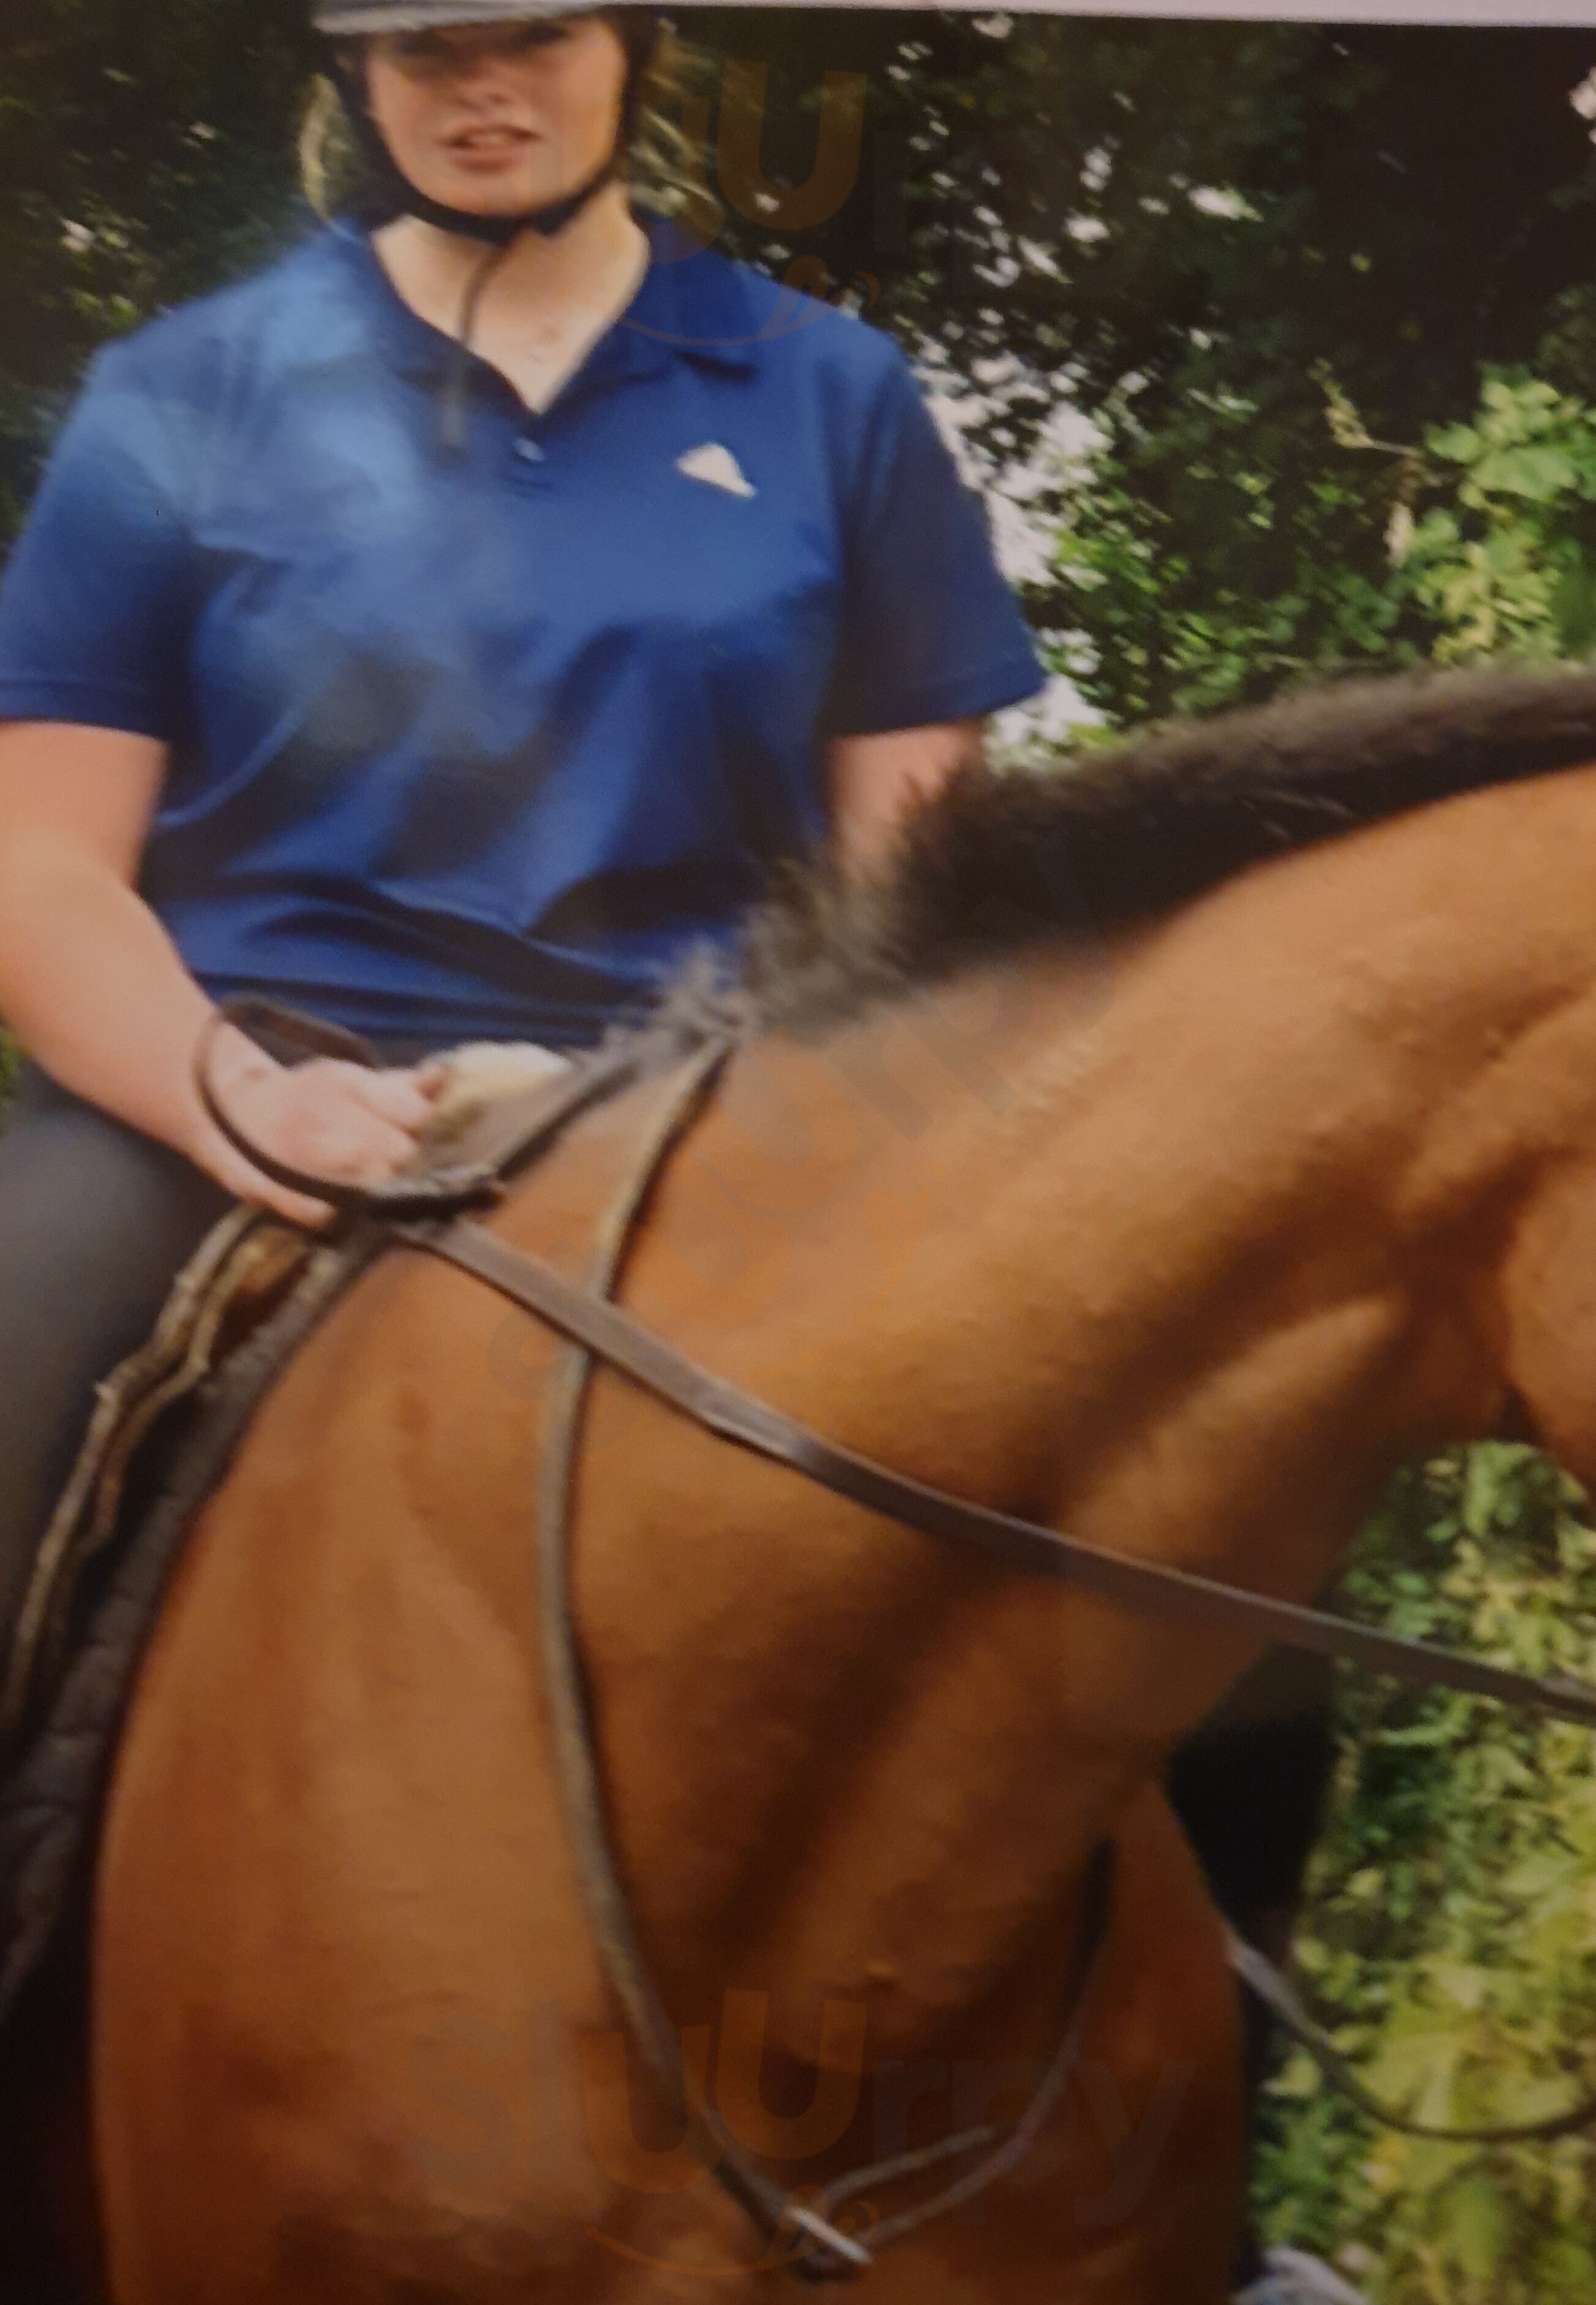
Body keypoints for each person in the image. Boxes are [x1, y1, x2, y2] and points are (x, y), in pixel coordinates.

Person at [0, 0, 1045, 1646]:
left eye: (535, 35)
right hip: (243, 1092)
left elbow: (907, 886)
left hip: (714, 1100)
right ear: (358, 73)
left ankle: (1233, 1827)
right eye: (428, 48)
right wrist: (245, 1100)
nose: (482, 85)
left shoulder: (828, 393)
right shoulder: (180, 394)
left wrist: (757, 1102)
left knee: (1139, 1388)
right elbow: (42, 867)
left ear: (634, 44)